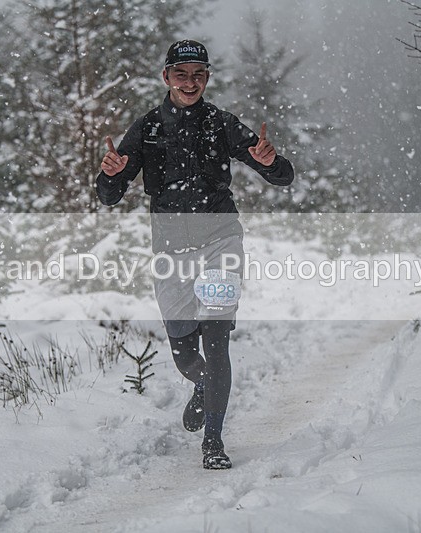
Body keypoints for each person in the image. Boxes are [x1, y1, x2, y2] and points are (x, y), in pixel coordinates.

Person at [95, 39, 294, 469]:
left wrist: (272, 161)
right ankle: (204, 386)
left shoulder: (221, 124)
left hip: (220, 242)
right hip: (170, 251)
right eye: (182, 74)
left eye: (199, 74)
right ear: (166, 77)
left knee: (216, 337)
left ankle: (214, 442)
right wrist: (108, 176)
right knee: (185, 352)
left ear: (207, 78)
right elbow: (110, 193)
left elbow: (280, 176)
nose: (191, 83)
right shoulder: (147, 128)